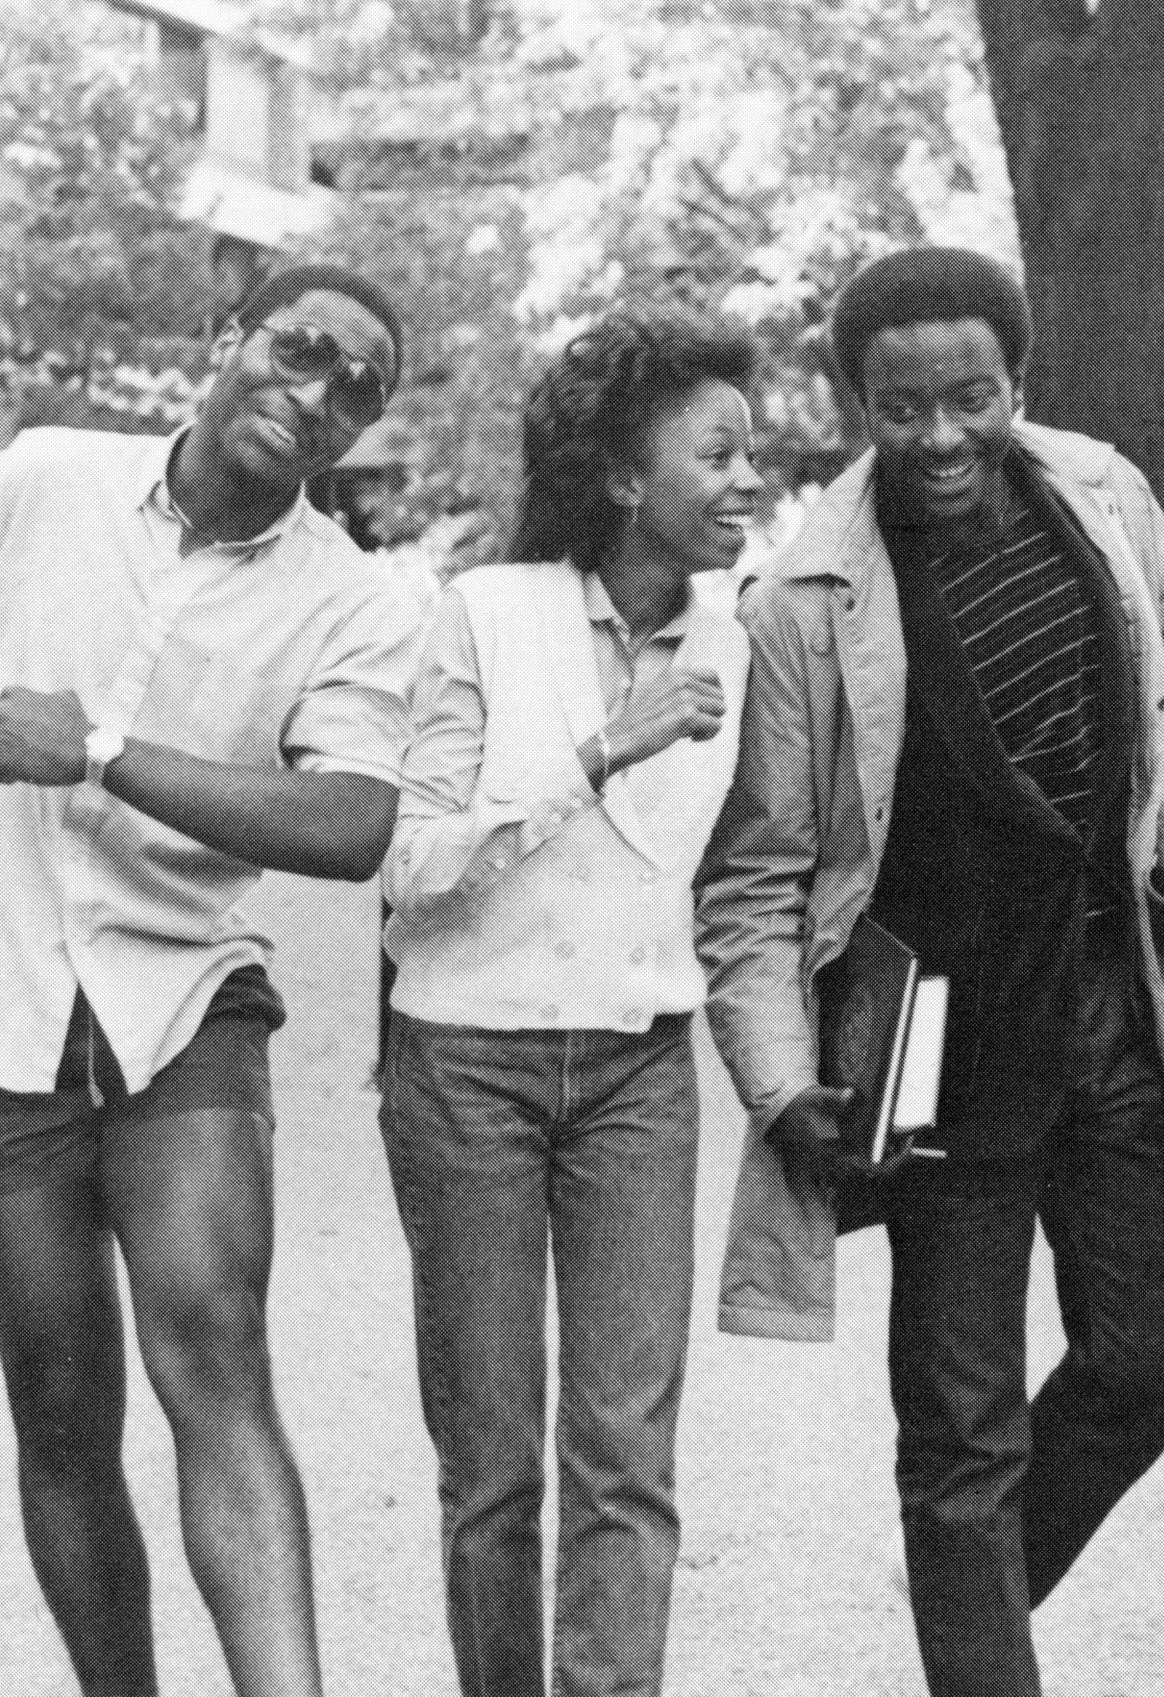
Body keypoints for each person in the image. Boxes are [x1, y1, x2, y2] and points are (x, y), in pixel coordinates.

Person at [0, 263, 428, 1697]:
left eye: (358, 388)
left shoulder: (353, 602)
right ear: (223, 336)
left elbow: (351, 820)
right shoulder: (47, 479)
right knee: (60, 1406)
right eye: (302, 352)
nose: (319, 397)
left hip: (184, 998)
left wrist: (105, 756)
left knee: (214, 1352)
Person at [696, 246, 1164, 1697]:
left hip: (1116, 1008)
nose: (939, 436)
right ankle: (975, 1617)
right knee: (958, 1429)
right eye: (901, 406)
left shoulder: (1102, 494)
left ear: (1017, 383)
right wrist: (778, 1074)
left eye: (970, 398)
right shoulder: (804, 597)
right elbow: (753, 874)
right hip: (931, 1051)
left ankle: (964, 1571)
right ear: (855, 402)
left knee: (1144, 1368)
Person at [377, 307, 763, 1697]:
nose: (745, 480)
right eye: (714, 453)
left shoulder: (744, 636)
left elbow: (747, 876)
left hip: (637, 1076)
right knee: (490, 1464)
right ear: (617, 475)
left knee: (626, 1456)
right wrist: (602, 751)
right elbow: (411, 869)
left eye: (751, 454)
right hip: (463, 1068)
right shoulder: (484, 612)